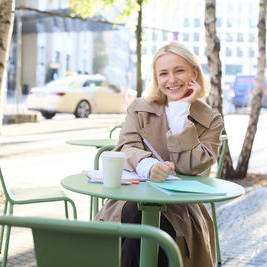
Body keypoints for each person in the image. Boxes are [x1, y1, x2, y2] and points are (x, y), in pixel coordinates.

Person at [95, 41, 224, 267]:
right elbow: (125, 147)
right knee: (139, 221)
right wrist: (148, 166)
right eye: (163, 73)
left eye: (179, 70)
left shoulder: (211, 119)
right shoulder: (139, 108)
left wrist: (179, 110)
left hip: (182, 207)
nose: (171, 80)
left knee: (154, 233)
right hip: (131, 198)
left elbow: (196, 168)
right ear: (156, 78)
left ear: (194, 72)